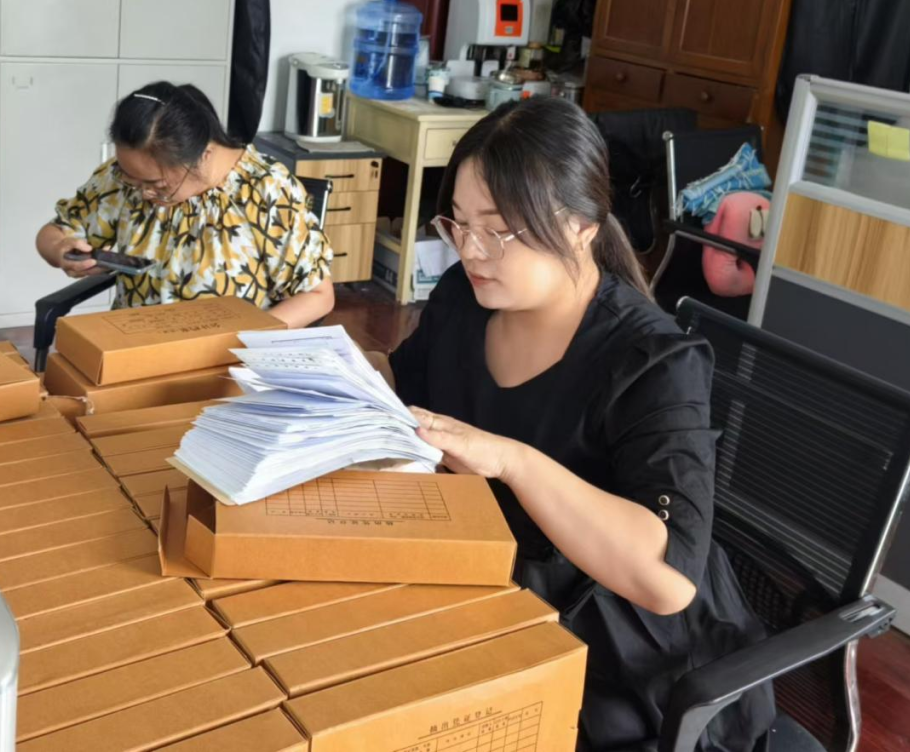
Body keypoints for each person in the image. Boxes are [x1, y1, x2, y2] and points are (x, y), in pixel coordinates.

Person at [368, 98, 775, 751]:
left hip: (623, 654)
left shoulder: (652, 360)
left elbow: (666, 581)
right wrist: (348, 373)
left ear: (582, 226)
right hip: (492, 591)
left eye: (498, 231)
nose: (470, 250)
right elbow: (408, 387)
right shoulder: (465, 298)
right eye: (459, 224)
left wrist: (513, 462)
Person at [35, 82, 334, 328]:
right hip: (131, 349)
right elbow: (54, 232)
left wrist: (243, 341)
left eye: (156, 184)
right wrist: (61, 250)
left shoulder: (266, 191)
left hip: (223, 361)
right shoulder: (125, 179)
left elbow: (318, 296)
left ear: (203, 156)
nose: (143, 193)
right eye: (131, 178)